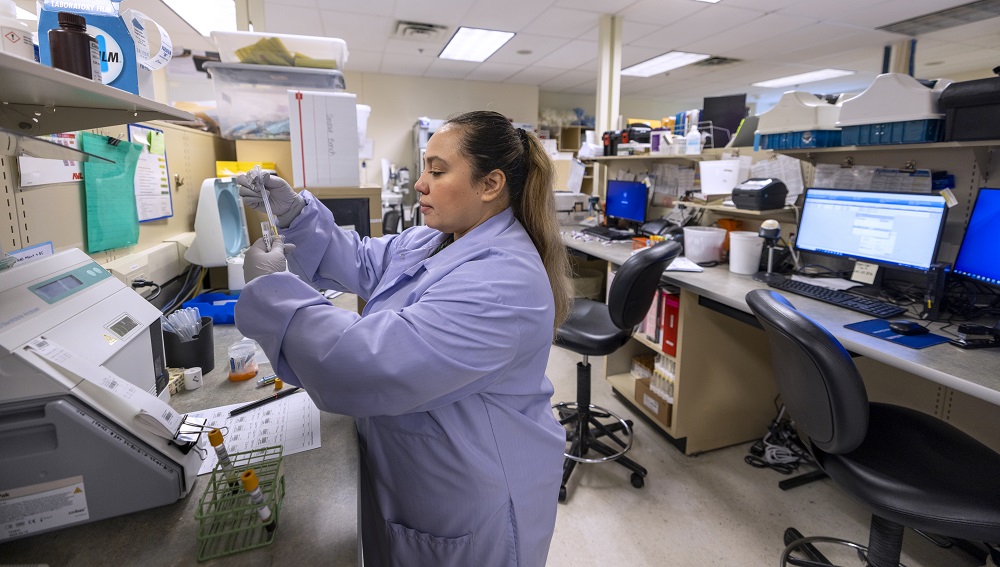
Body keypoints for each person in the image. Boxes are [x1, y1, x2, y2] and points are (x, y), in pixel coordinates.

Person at [234, 110, 574, 566]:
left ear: (490, 185)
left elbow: (365, 365)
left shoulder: (503, 282)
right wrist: (296, 215)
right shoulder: (436, 239)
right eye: (424, 167)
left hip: (471, 490)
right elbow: (361, 260)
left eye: (437, 170)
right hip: (419, 461)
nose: (420, 183)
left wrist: (274, 295)